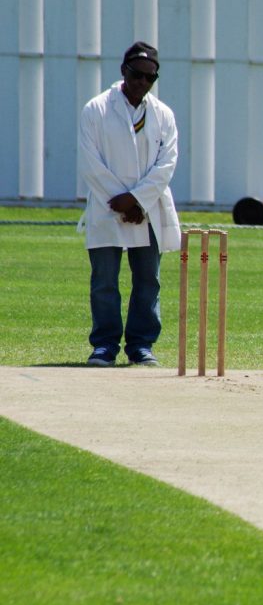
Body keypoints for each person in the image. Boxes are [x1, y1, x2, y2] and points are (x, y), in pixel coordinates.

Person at [77, 41, 181, 368]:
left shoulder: (163, 114)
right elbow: (89, 161)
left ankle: (141, 345)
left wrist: (138, 200)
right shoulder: (96, 109)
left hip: (147, 209)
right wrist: (121, 200)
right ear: (124, 71)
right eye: (137, 75)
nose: (142, 83)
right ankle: (105, 345)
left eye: (150, 78)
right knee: (105, 280)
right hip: (108, 206)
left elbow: (168, 163)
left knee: (148, 280)